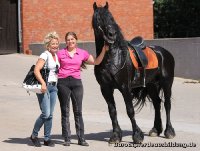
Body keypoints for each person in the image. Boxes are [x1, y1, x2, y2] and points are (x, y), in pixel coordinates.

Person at [57, 32, 108, 146]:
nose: (70, 41)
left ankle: (81, 138)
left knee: (78, 112)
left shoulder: (82, 53)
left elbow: (96, 62)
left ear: (76, 40)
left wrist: (104, 49)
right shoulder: (60, 53)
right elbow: (52, 66)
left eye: (72, 39)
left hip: (76, 83)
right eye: (68, 40)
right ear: (66, 42)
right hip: (63, 83)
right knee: (65, 111)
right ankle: (67, 138)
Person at [30, 31, 60, 147]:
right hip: (45, 87)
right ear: (48, 45)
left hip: (54, 87)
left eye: (57, 43)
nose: (55, 46)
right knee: (45, 113)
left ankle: (47, 139)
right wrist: (43, 83)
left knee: (50, 115)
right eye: (53, 43)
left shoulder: (55, 56)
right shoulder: (45, 55)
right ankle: (33, 135)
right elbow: (36, 70)